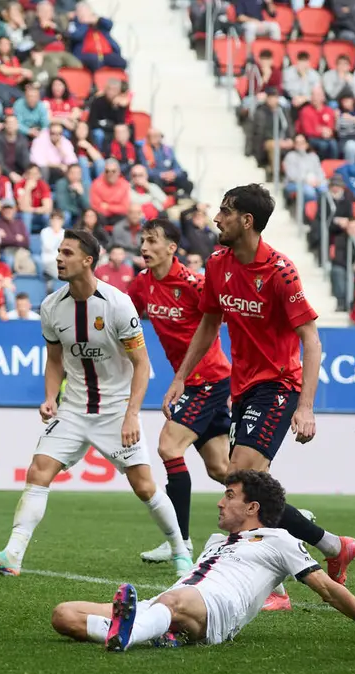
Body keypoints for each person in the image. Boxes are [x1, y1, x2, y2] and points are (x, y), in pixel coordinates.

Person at [163, 184, 355, 606]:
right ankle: (333, 546)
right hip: (243, 388)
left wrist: (305, 407)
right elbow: (208, 325)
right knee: (253, 490)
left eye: (225, 211)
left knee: (240, 482)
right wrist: (181, 375)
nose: (216, 219)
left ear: (246, 221)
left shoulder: (281, 272)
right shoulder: (218, 263)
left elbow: (312, 341)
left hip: (279, 386)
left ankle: (278, 585)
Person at [0, 229, 192, 577]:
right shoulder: (52, 306)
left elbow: (142, 364)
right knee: (39, 470)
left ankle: (180, 550)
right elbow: (54, 360)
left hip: (116, 411)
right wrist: (49, 398)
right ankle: (13, 555)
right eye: (58, 251)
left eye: (67, 253)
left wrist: (132, 415)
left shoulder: (117, 304)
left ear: (88, 260)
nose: (59, 258)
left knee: (144, 486)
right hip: (73, 408)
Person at [50, 470, 355, 651]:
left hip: (217, 611)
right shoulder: (217, 540)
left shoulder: (279, 539)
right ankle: (151, 629)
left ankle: (131, 634)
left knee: (173, 601)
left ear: (252, 507)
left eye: (228, 495)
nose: (220, 501)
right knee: (64, 614)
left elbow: (329, 591)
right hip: (173, 602)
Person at [125, 220, 232, 566]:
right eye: (142, 240)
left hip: (209, 379)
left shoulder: (192, 284)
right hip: (194, 380)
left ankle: (180, 542)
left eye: (152, 240)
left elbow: (221, 320)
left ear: (172, 247)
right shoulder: (141, 285)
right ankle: (286, 513)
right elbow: (124, 323)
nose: (145, 246)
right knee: (222, 469)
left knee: (168, 447)